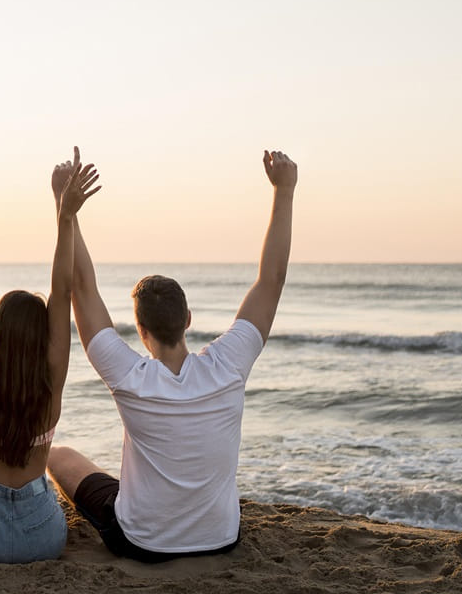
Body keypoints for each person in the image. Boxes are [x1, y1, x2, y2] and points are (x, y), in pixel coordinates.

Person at [48, 147, 298, 563]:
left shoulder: (128, 374)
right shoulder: (229, 365)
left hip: (142, 543)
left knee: (59, 457)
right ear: (188, 319)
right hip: (221, 538)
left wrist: (64, 207)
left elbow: (82, 288)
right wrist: (284, 191)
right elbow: (272, 280)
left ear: (140, 331)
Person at [0, 159, 101, 563]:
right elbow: (61, 292)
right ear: (44, 339)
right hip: (43, 537)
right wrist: (65, 217)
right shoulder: (51, 380)